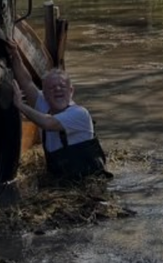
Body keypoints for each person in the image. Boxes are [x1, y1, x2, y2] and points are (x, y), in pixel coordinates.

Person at [10, 49, 109, 181]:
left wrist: (21, 106)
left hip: (88, 182)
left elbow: (48, 123)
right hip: (61, 182)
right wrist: (15, 55)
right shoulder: (44, 106)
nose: (57, 89)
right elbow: (26, 83)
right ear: (45, 94)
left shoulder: (79, 113)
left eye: (62, 86)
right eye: (52, 88)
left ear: (71, 91)